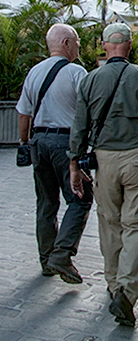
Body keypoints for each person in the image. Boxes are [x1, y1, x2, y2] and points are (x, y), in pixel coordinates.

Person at [69, 23, 138, 327]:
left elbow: (79, 128)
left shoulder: (90, 80)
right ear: (129, 46)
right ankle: (126, 292)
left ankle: (114, 284)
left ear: (103, 46)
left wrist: (74, 165)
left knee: (110, 222)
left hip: (104, 159)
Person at [16, 23, 93, 284]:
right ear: (66, 44)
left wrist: (25, 143)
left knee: (46, 203)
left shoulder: (34, 72)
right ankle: (62, 253)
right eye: (77, 42)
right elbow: (86, 113)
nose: (79, 47)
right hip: (66, 143)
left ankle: (46, 258)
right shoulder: (76, 72)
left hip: (39, 142)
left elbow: (23, 113)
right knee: (80, 198)